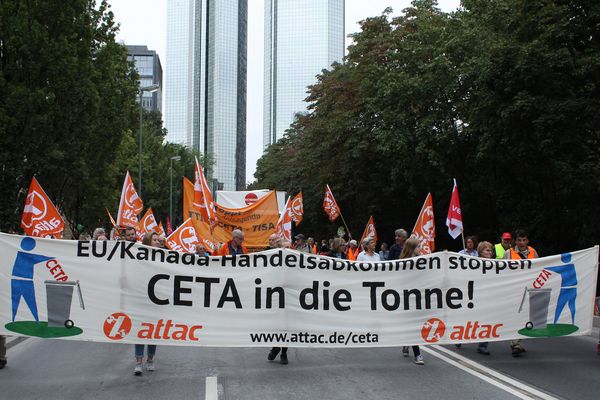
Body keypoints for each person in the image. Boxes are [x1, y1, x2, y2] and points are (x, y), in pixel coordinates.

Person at [504, 229, 538, 356]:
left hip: (528, 287)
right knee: (516, 315)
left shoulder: (533, 252)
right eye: (519, 240)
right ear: (515, 241)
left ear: (527, 240)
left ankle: (516, 342)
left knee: (525, 316)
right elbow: (502, 269)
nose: (522, 242)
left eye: (524, 240)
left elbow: (538, 267)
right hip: (514, 289)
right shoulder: (509, 253)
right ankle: (515, 343)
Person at [134, 232, 160, 375]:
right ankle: (138, 362)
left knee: (153, 332)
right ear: (147, 242)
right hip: (141, 298)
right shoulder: (139, 256)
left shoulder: (164, 256)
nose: (157, 242)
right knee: (140, 331)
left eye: (158, 240)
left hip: (156, 300)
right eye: (154, 240)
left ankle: (150, 359)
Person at [399, 238, 424, 365]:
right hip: (406, 297)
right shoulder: (403, 263)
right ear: (412, 248)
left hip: (418, 297)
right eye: (418, 247)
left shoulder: (423, 262)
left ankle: (406, 342)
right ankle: (418, 354)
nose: (420, 249)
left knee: (415, 324)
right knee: (413, 325)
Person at [267, 235, 290, 364]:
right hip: (273, 295)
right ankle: (275, 348)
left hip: (287, 296)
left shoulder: (291, 258)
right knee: (276, 325)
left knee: (286, 325)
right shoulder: (268, 255)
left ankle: (284, 352)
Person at [475, 241, 494, 355]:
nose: (490, 252)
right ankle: (460, 338)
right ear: (480, 252)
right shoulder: (473, 263)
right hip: (477, 295)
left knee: (487, 320)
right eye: (487, 250)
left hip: (489, 296)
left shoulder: (494, 263)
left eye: (491, 250)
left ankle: (483, 345)